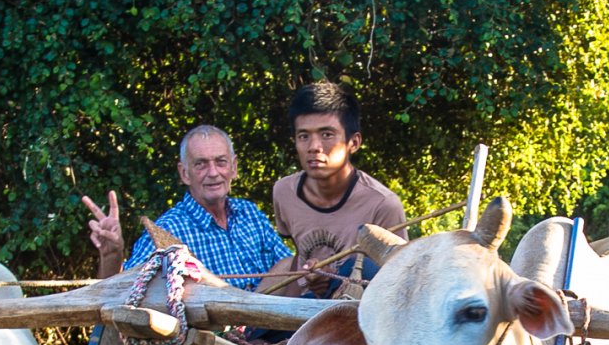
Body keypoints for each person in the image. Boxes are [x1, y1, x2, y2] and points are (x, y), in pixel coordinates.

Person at [82, 125, 290, 291]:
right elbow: (120, 292)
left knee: (290, 263)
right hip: (213, 331)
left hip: (270, 323)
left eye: (221, 162)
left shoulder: (250, 213)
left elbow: (290, 269)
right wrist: (112, 255)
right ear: (184, 173)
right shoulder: (167, 231)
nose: (213, 172)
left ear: (233, 167)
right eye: (201, 164)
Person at [269, 81, 406, 296]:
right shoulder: (284, 192)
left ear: (354, 142)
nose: (314, 147)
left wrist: (333, 281)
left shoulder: (382, 205)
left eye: (327, 135)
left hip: (357, 309)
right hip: (302, 305)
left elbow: (398, 282)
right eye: (303, 136)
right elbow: (299, 256)